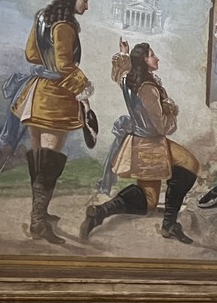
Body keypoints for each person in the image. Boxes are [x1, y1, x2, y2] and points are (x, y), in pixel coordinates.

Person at [83, 40, 201, 244]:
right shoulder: (147, 89)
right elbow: (162, 127)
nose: (157, 58)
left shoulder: (129, 80)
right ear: (144, 60)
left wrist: (124, 53)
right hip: (152, 144)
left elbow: (119, 73)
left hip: (138, 143)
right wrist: (170, 111)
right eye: (152, 55)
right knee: (190, 164)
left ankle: (100, 212)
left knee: (150, 200)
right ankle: (169, 224)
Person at [10, 0, 94, 244]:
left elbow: (31, 54)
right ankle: (38, 222)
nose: (87, 6)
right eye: (85, 0)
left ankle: (40, 214)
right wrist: (84, 86)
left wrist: (48, 64)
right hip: (55, 99)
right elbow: (65, 66)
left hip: (36, 93)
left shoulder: (42, 18)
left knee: (39, 159)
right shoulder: (65, 26)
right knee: (48, 162)